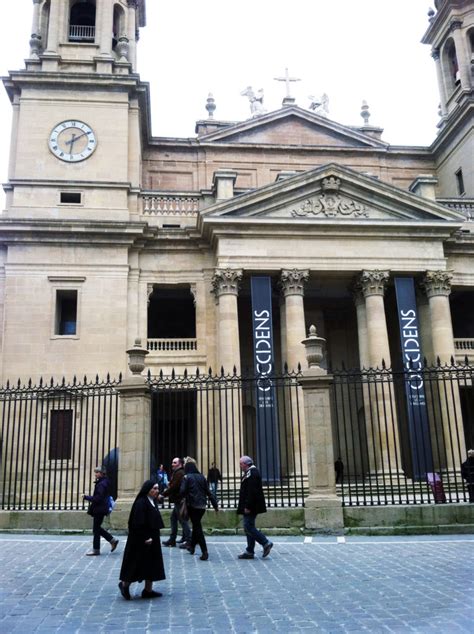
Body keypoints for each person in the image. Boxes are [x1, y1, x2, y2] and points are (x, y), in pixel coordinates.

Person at [118, 480, 166, 600]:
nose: (156, 491)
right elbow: (137, 523)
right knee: (136, 563)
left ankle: (148, 590)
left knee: (152, 563)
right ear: (147, 489)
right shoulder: (141, 502)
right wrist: (145, 537)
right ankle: (124, 585)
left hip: (152, 536)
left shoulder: (152, 501)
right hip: (141, 538)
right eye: (154, 489)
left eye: (157, 489)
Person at [180, 460, 218, 560]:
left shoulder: (186, 477)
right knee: (196, 525)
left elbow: (182, 491)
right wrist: (215, 505)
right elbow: (209, 492)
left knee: (197, 527)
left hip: (192, 506)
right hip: (202, 506)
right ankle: (191, 547)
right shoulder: (202, 477)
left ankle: (204, 551)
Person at [237, 456, 273, 560]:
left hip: (251, 506)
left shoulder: (252, 473)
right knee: (249, 526)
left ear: (246, 464)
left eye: (241, 464)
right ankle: (249, 551)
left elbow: (252, 492)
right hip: (251, 505)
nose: (240, 466)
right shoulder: (251, 472)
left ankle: (265, 543)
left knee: (248, 526)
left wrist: (248, 506)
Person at [83, 466, 119, 556]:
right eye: (95, 472)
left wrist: (86, 497)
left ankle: (97, 549)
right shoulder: (103, 482)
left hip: (99, 509)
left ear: (102, 473)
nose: (96, 474)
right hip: (100, 508)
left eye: (97, 472)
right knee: (97, 528)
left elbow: (98, 498)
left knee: (96, 529)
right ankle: (111, 541)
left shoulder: (102, 484)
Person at [160, 457, 191, 548]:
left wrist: (163, 494)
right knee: (173, 518)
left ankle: (189, 540)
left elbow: (174, 487)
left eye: (174, 462)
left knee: (182, 520)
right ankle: (173, 539)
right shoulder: (178, 473)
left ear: (180, 464)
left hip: (179, 500)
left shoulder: (179, 473)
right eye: (172, 462)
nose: (172, 464)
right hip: (178, 500)